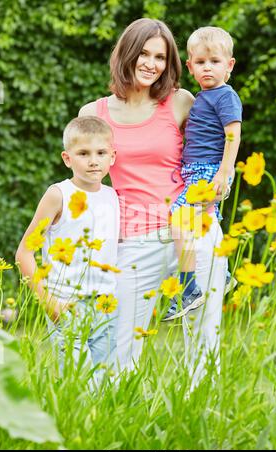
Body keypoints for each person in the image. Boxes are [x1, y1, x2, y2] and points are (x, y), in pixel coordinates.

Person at [79, 18, 227, 386]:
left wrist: (222, 180)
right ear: (126, 54)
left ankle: (200, 422)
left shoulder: (180, 101)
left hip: (194, 228)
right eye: (143, 53)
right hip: (134, 239)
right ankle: (113, 425)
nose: (151, 63)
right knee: (120, 345)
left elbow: (212, 149)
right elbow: (86, 179)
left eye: (160, 57)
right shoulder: (92, 114)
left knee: (204, 340)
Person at [16, 116, 120, 383]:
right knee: (77, 386)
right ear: (67, 158)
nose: (93, 160)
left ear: (113, 156)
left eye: (101, 153)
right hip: (67, 305)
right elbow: (24, 253)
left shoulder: (112, 196)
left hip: (106, 306)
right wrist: (49, 302)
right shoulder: (58, 195)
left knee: (107, 386)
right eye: (83, 153)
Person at [164, 26, 242, 321]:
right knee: (204, 226)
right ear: (190, 66)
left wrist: (225, 171)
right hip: (196, 171)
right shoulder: (203, 97)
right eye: (200, 62)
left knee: (179, 220)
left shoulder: (225, 96)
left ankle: (188, 290)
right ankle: (224, 275)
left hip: (210, 171)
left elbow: (233, 135)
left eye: (215, 61)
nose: (207, 67)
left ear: (229, 65)